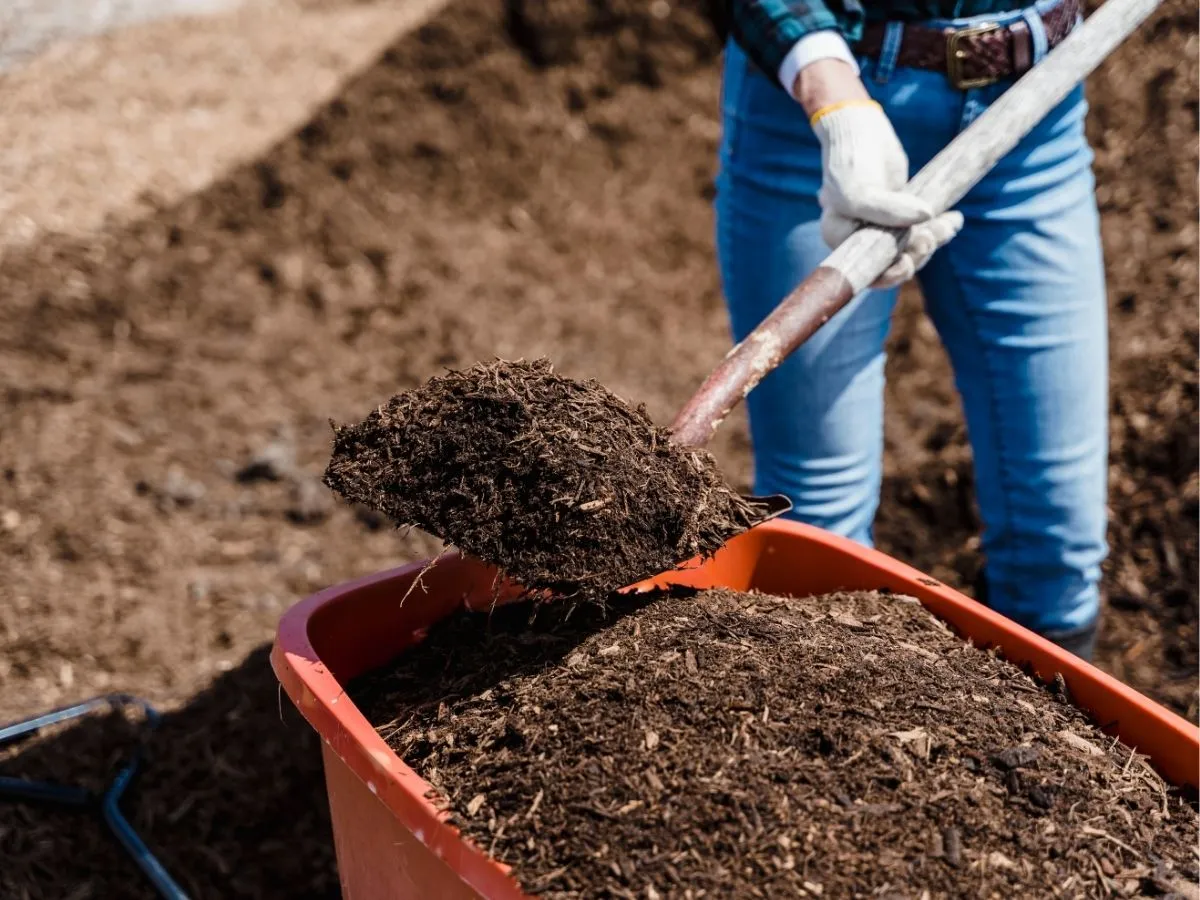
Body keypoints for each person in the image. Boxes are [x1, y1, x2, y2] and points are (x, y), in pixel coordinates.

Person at [716, 0, 1106, 659]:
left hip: (1034, 107)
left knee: (1059, 540)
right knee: (819, 530)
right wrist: (834, 100)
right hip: (820, 111)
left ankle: (1043, 754)